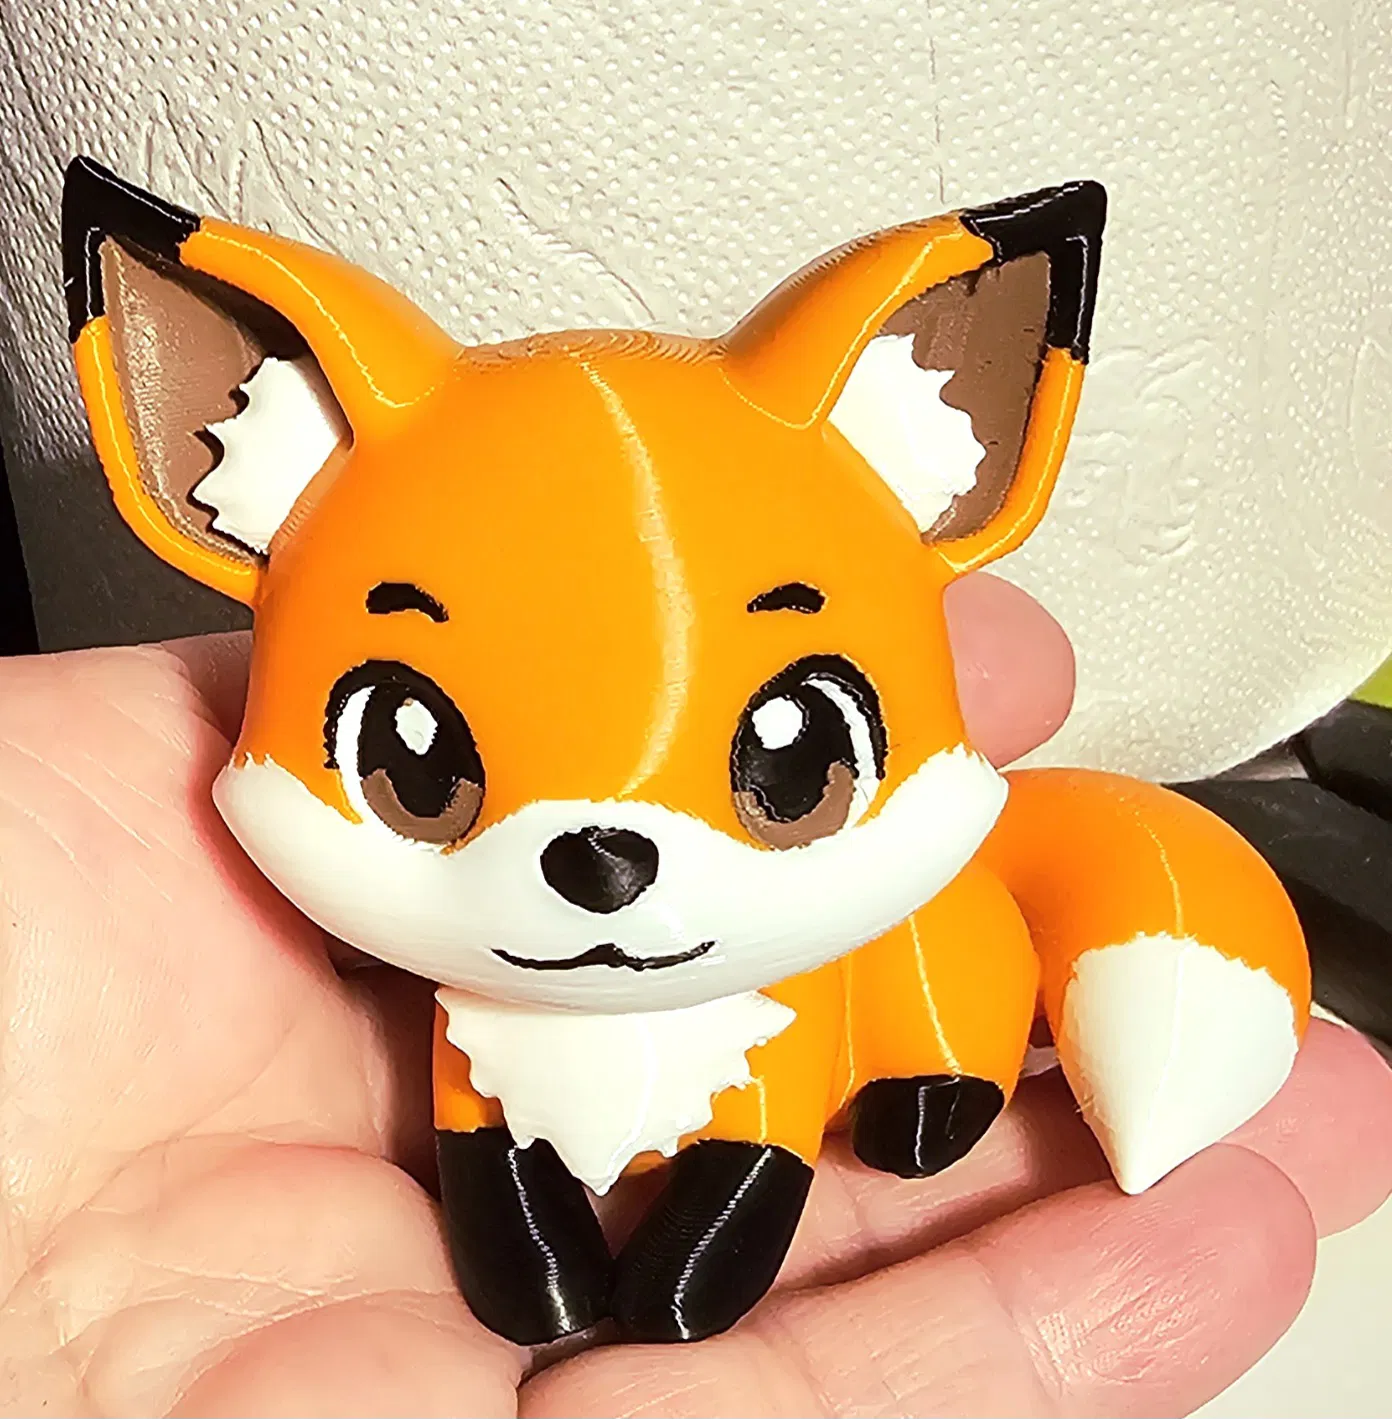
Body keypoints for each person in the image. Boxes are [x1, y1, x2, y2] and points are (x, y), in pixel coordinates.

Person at [0, 574, 1387, 1419]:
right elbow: (479, 1135)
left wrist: (686, 1271)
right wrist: (527, 1259)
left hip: (843, 1006)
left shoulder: (813, 939)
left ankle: (947, 1070)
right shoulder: (468, 1000)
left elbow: (759, 1143)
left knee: (927, 966)